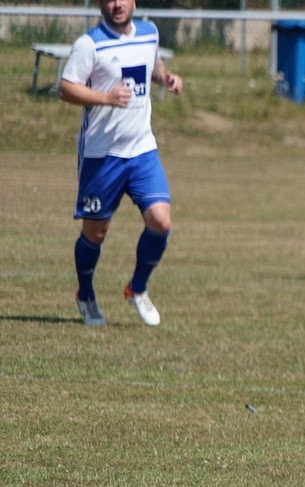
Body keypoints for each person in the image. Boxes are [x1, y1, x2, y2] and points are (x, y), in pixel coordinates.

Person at [59, 0, 183, 327]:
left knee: (161, 221)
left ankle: (137, 288)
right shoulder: (89, 44)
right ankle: (86, 295)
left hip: (141, 149)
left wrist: (165, 78)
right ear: (101, 4)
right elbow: (66, 88)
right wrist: (106, 98)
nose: (117, 4)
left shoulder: (149, 32)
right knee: (96, 233)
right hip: (101, 155)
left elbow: (152, 64)